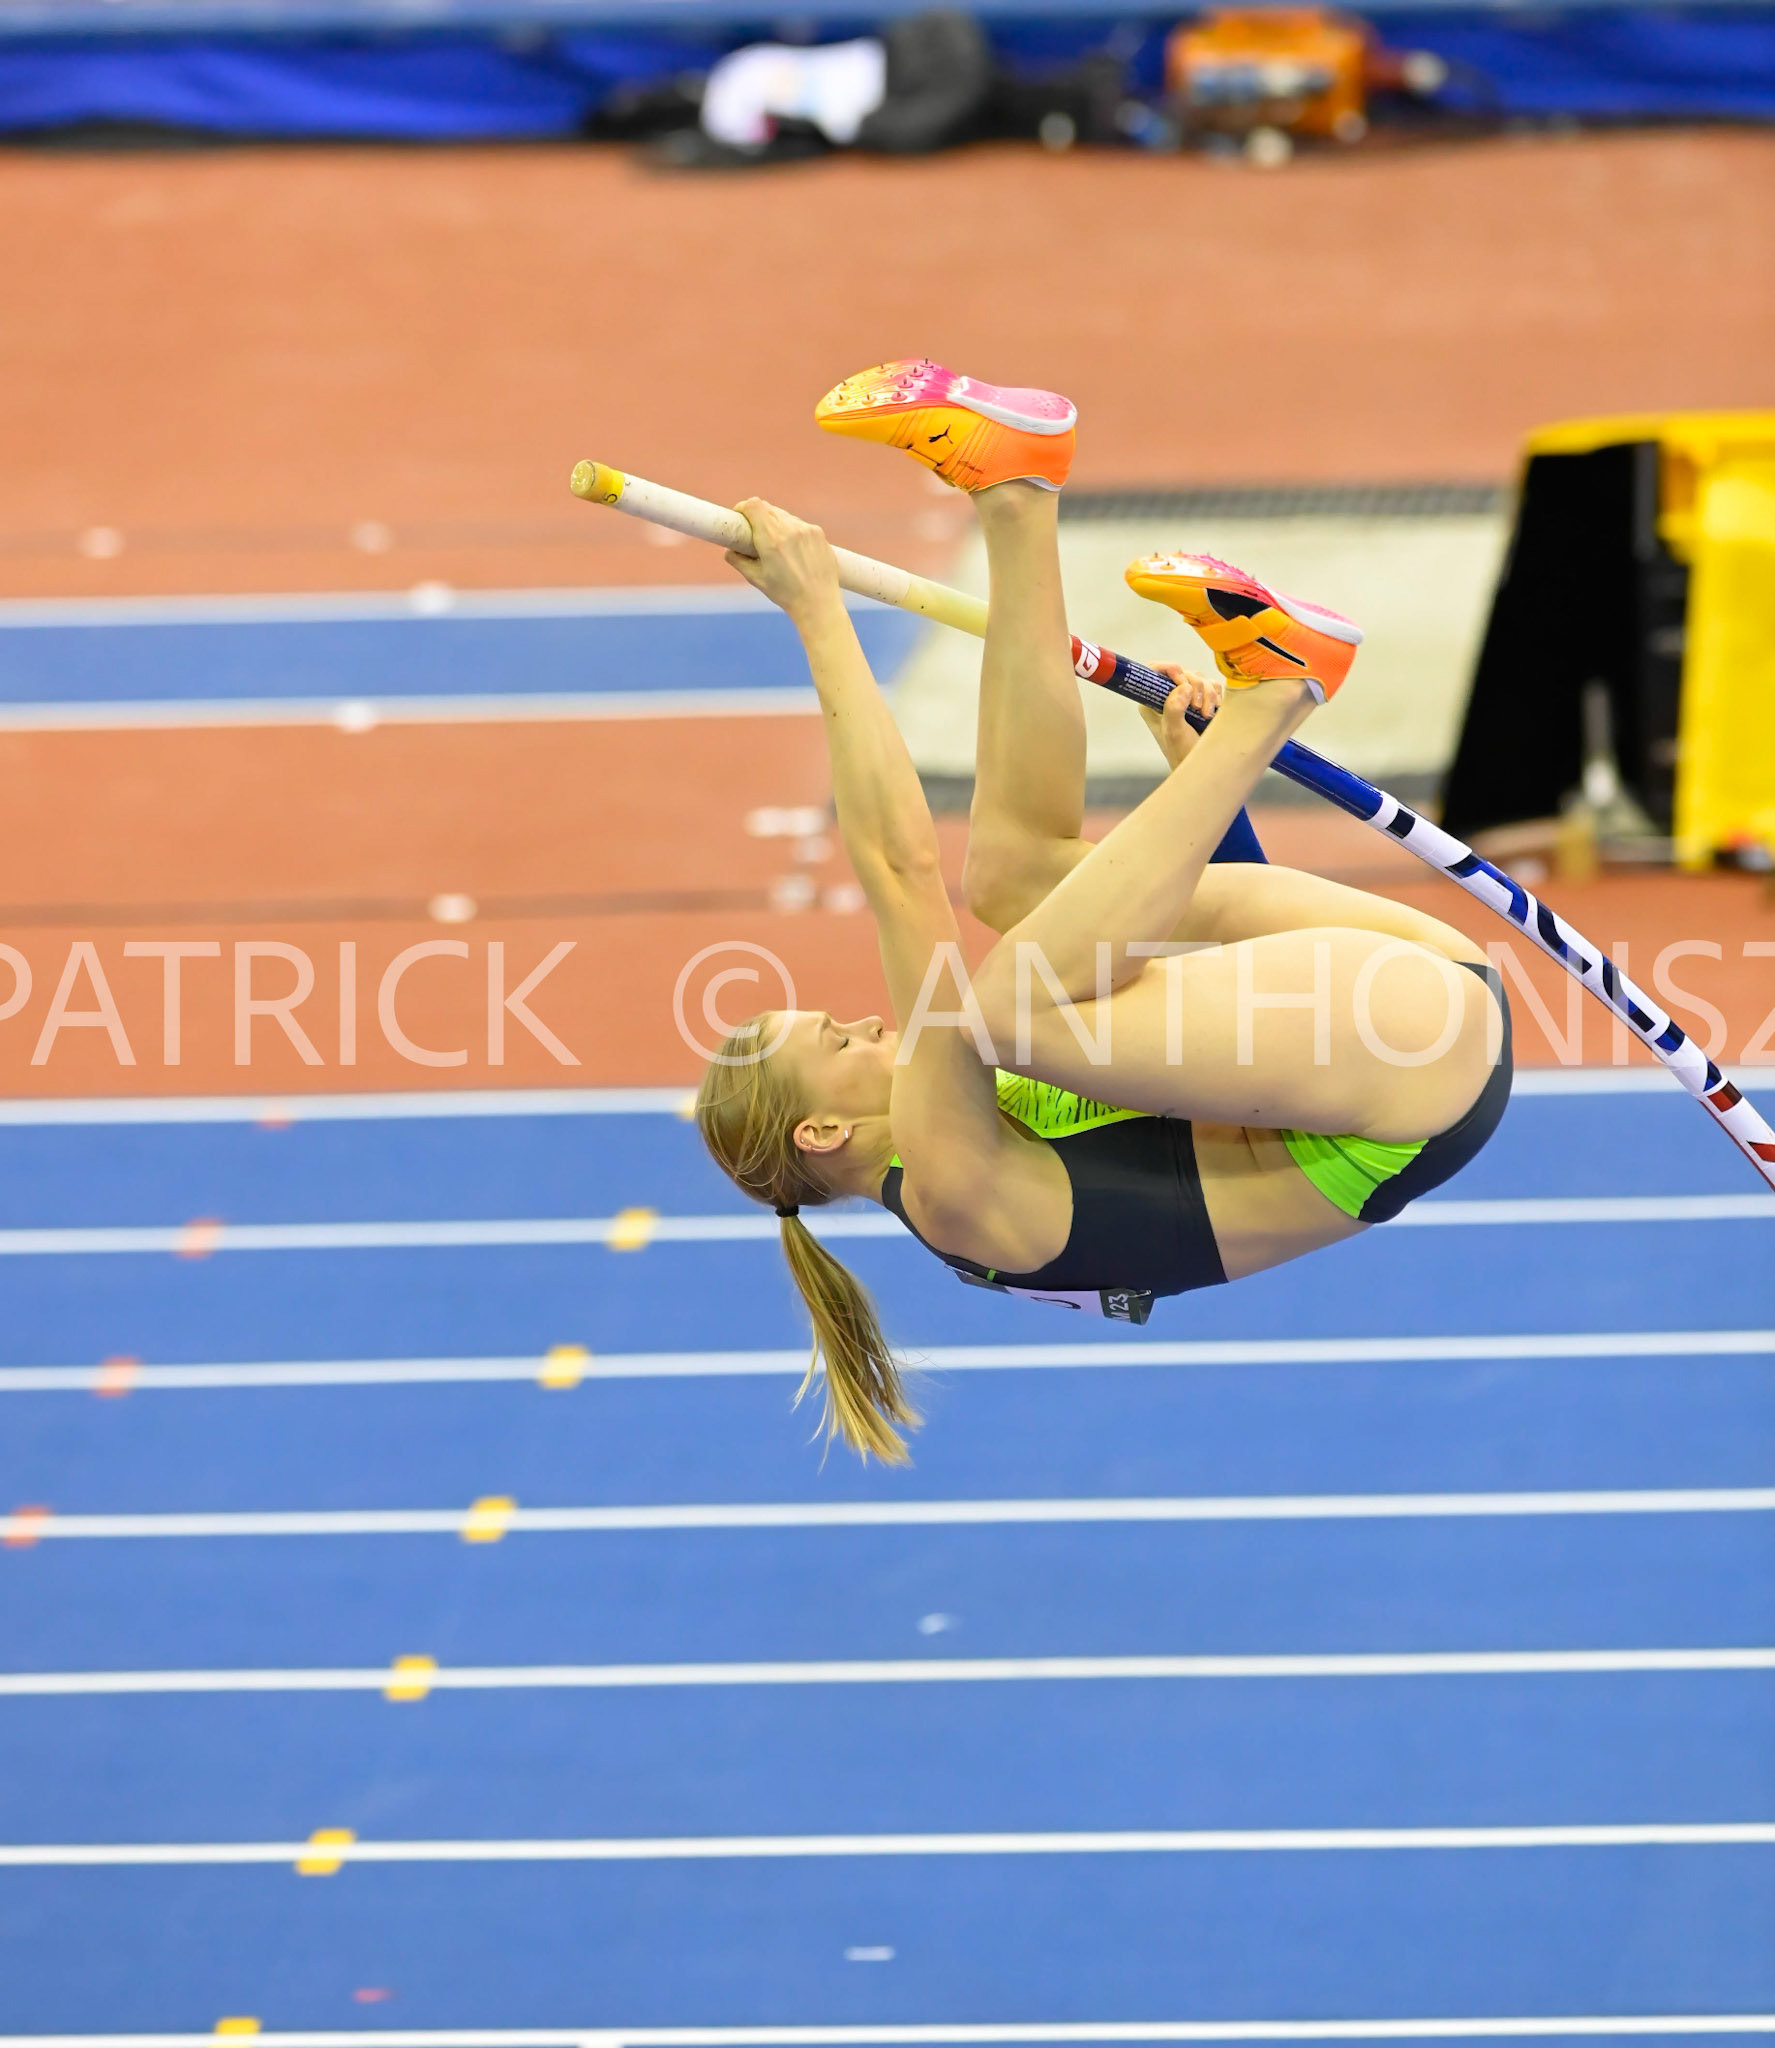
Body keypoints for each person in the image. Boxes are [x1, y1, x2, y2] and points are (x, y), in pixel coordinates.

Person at [696, 360, 1510, 1462]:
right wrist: (816, 611)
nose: (859, 1023)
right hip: (1413, 1064)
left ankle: (1016, 488)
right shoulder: (950, 1193)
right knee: (998, 1007)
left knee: (1015, 881)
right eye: (831, 1042)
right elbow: (895, 868)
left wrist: (1204, 802)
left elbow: (1252, 1043)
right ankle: (1273, 690)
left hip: (1388, 1009)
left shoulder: (976, 1128)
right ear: (823, 1132)